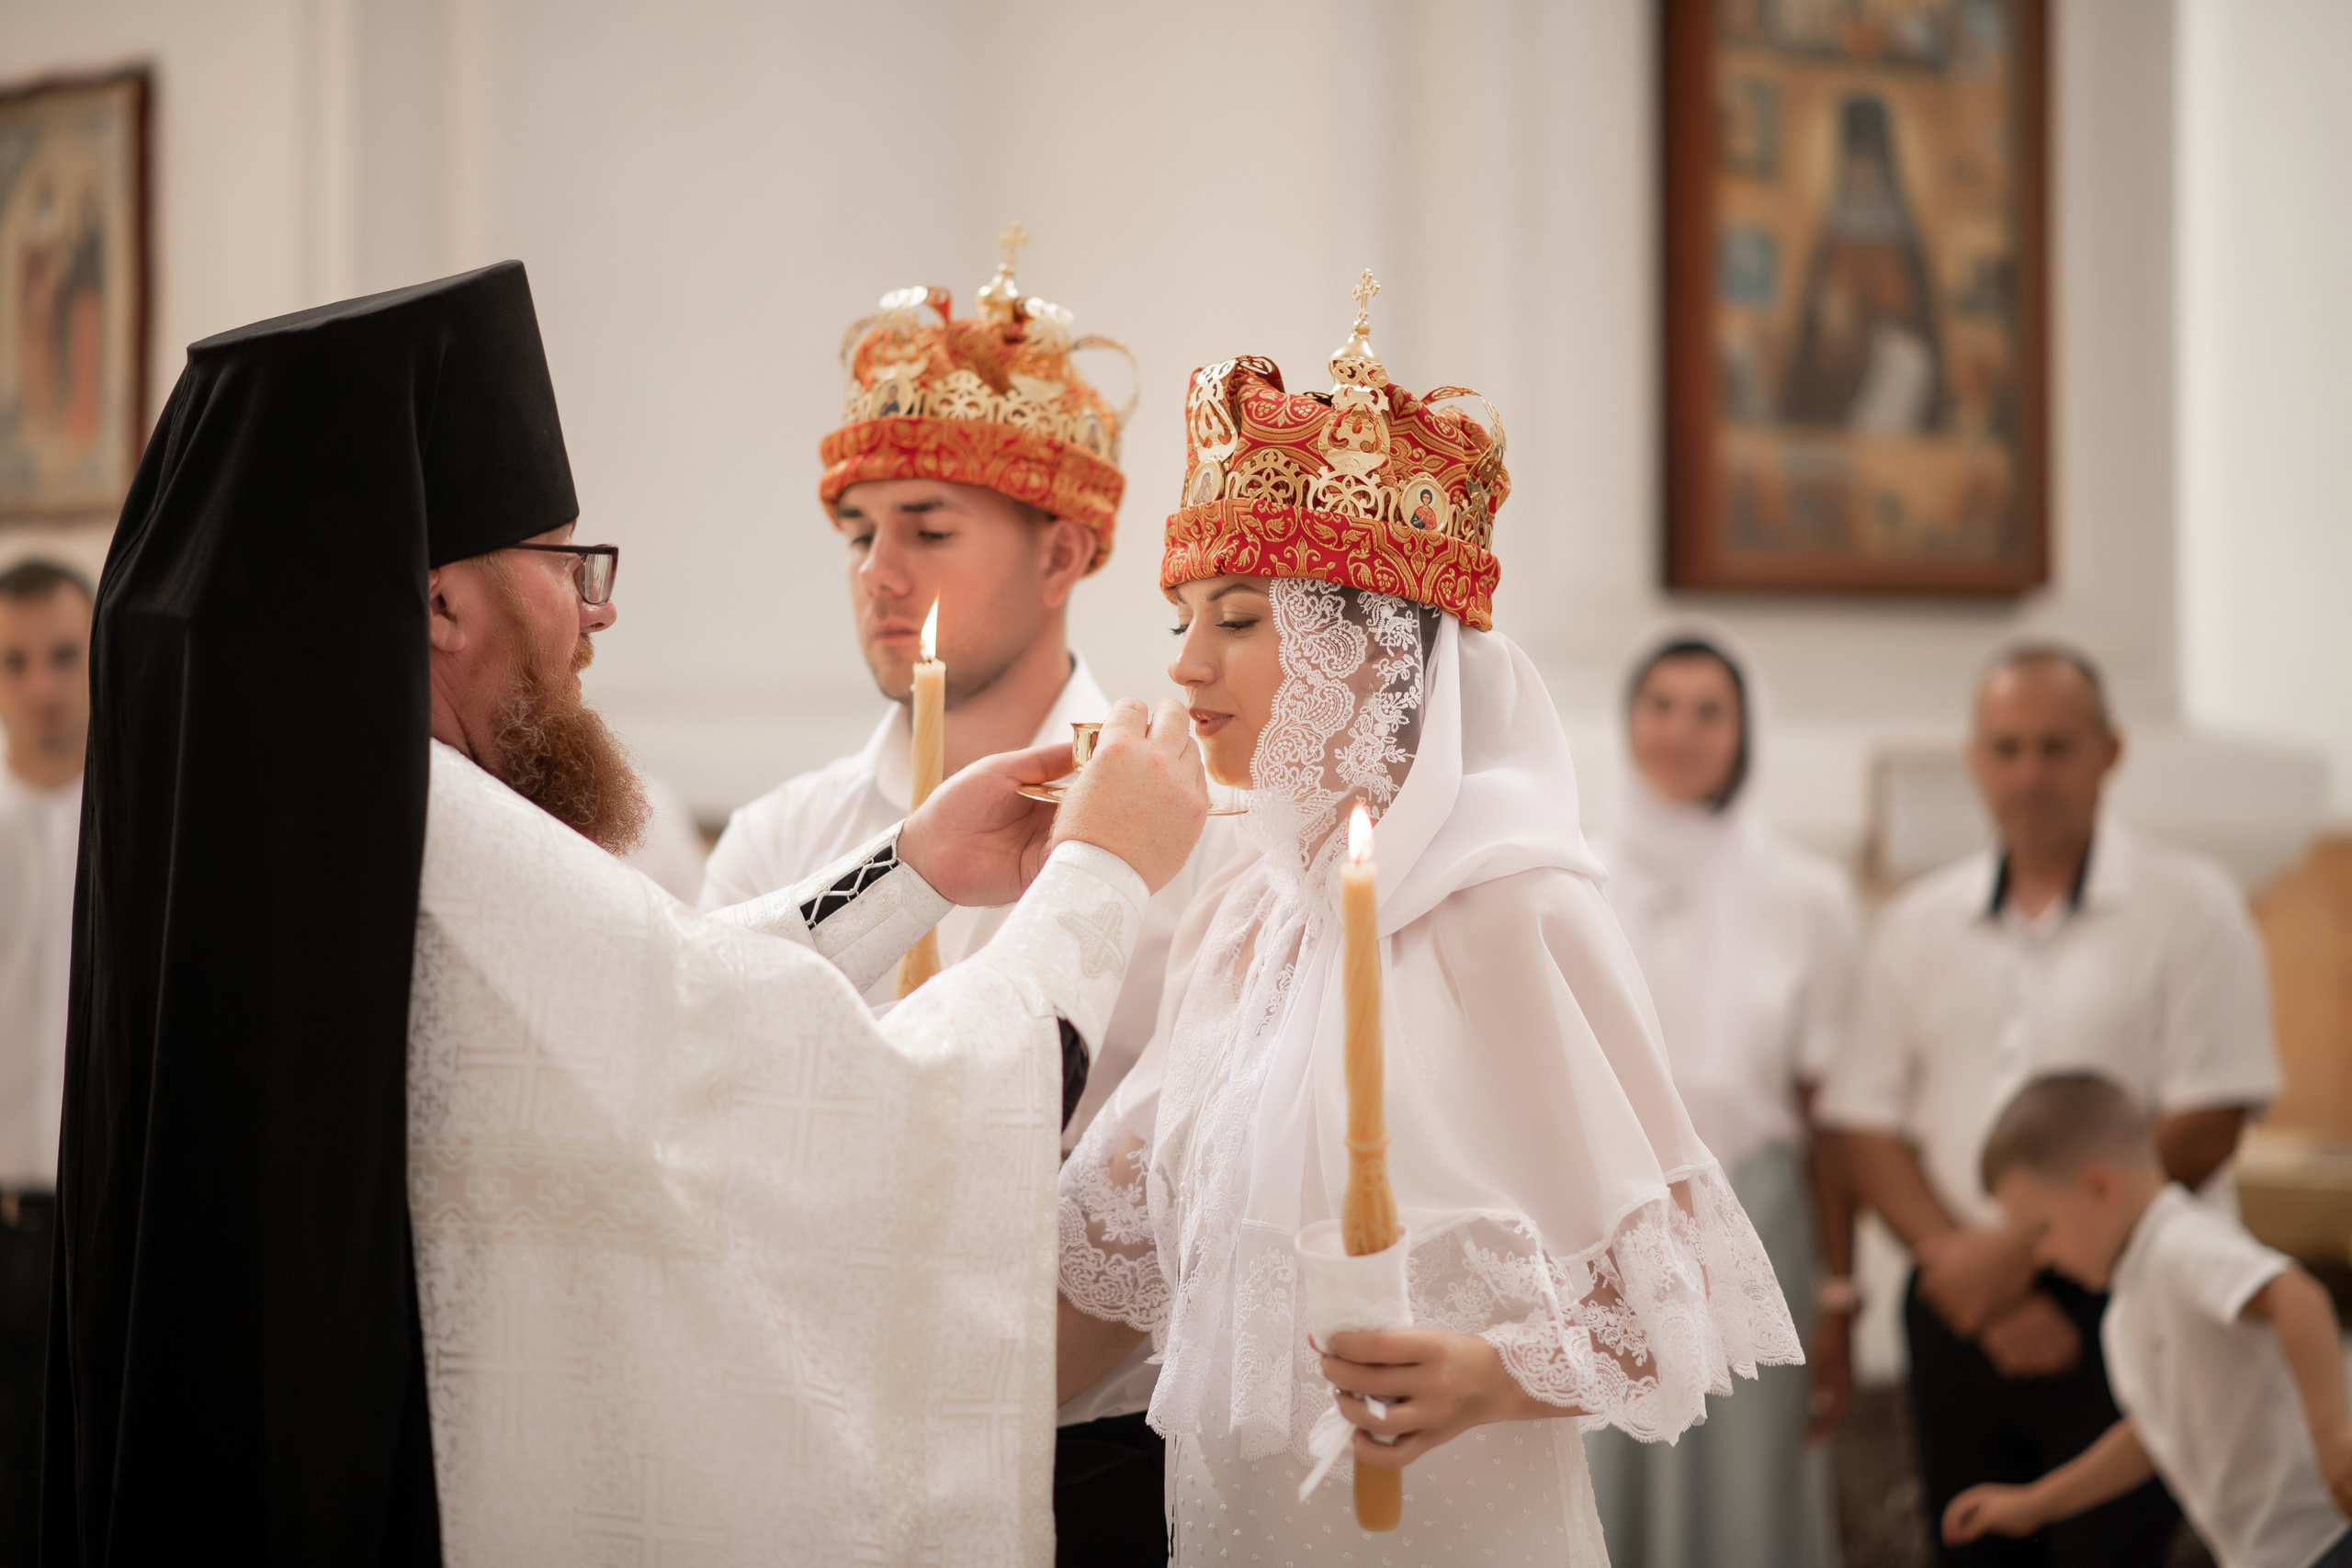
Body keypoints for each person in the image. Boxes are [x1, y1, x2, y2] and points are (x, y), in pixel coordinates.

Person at [41, 262, 1209, 1563]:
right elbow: (830, 1096)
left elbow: (676, 998)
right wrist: (1100, 874)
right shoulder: (437, 844)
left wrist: (910, 868)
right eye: (565, 564)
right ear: (437, 601)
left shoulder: (293, 832)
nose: (598, 613)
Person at [1054, 284, 1802, 1562]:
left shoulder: (1511, 905)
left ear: (1369, 652)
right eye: (1184, 618)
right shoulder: (1247, 914)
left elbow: (1663, 1302)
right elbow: (1114, 1257)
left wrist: (1485, 1373)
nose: (1184, 664)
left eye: (1240, 618)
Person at [694, 236, 1207, 1553]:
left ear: (1063, 556)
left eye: (930, 527)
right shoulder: (786, 835)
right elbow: (718, 1126)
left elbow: (1192, 1186)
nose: (879, 570)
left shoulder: (1186, 821)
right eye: (862, 530)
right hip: (820, 1442)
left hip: (1105, 1456)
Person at [1820, 643, 2282, 1568]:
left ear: (2109, 751)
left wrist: (2015, 1251)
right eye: (2006, 748)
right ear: (1973, 757)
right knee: (1971, 1548)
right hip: (1955, 1299)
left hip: (2133, 1298)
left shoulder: (2192, 907)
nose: (2028, 774)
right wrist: (1967, 1270)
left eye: (2055, 748)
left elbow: (2207, 1121)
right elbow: (1861, 1122)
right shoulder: (1917, 923)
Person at [1585, 626, 1860, 1568]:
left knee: (1746, 1487)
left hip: (1758, 1213)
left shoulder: (1806, 895)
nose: (1681, 731)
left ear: (1744, 734)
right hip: (1603, 1219)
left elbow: (1829, 1108)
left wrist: (1840, 1289)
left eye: (1709, 712)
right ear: (1627, 723)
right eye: (1660, 706)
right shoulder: (1572, 880)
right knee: (1607, 1471)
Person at [1944, 1073, 2352, 1568]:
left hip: (2326, 1533)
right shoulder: (2126, 1308)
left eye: (2041, 1230)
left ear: (2099, 1187)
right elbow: (2155, 1433)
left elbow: (2298, 1297)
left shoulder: (2179, 1243)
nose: (2041, 1255)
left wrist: (2334, 1438)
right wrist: (2035, 1504)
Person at [0, 558, 91, 1568]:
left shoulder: (149, 823)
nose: (42, 687)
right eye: (14, 662)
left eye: (64, 656)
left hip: (95, 1238)